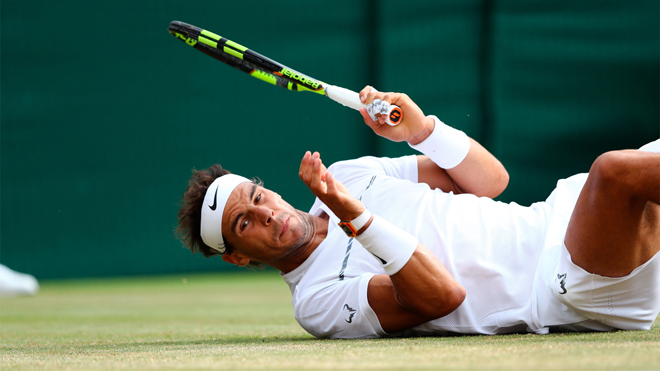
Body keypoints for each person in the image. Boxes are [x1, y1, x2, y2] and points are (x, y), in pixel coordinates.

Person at [176, 86, 660, 338]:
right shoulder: (316, 303)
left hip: (558, 216)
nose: (265, 216)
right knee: (616, 173)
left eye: (258, 199)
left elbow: (492, 182)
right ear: (238, 256)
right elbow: (442, 297)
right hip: (564, 286)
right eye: (243, 224)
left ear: (270, 192)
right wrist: (353, 215)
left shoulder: (350, 172)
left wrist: (422, 129)